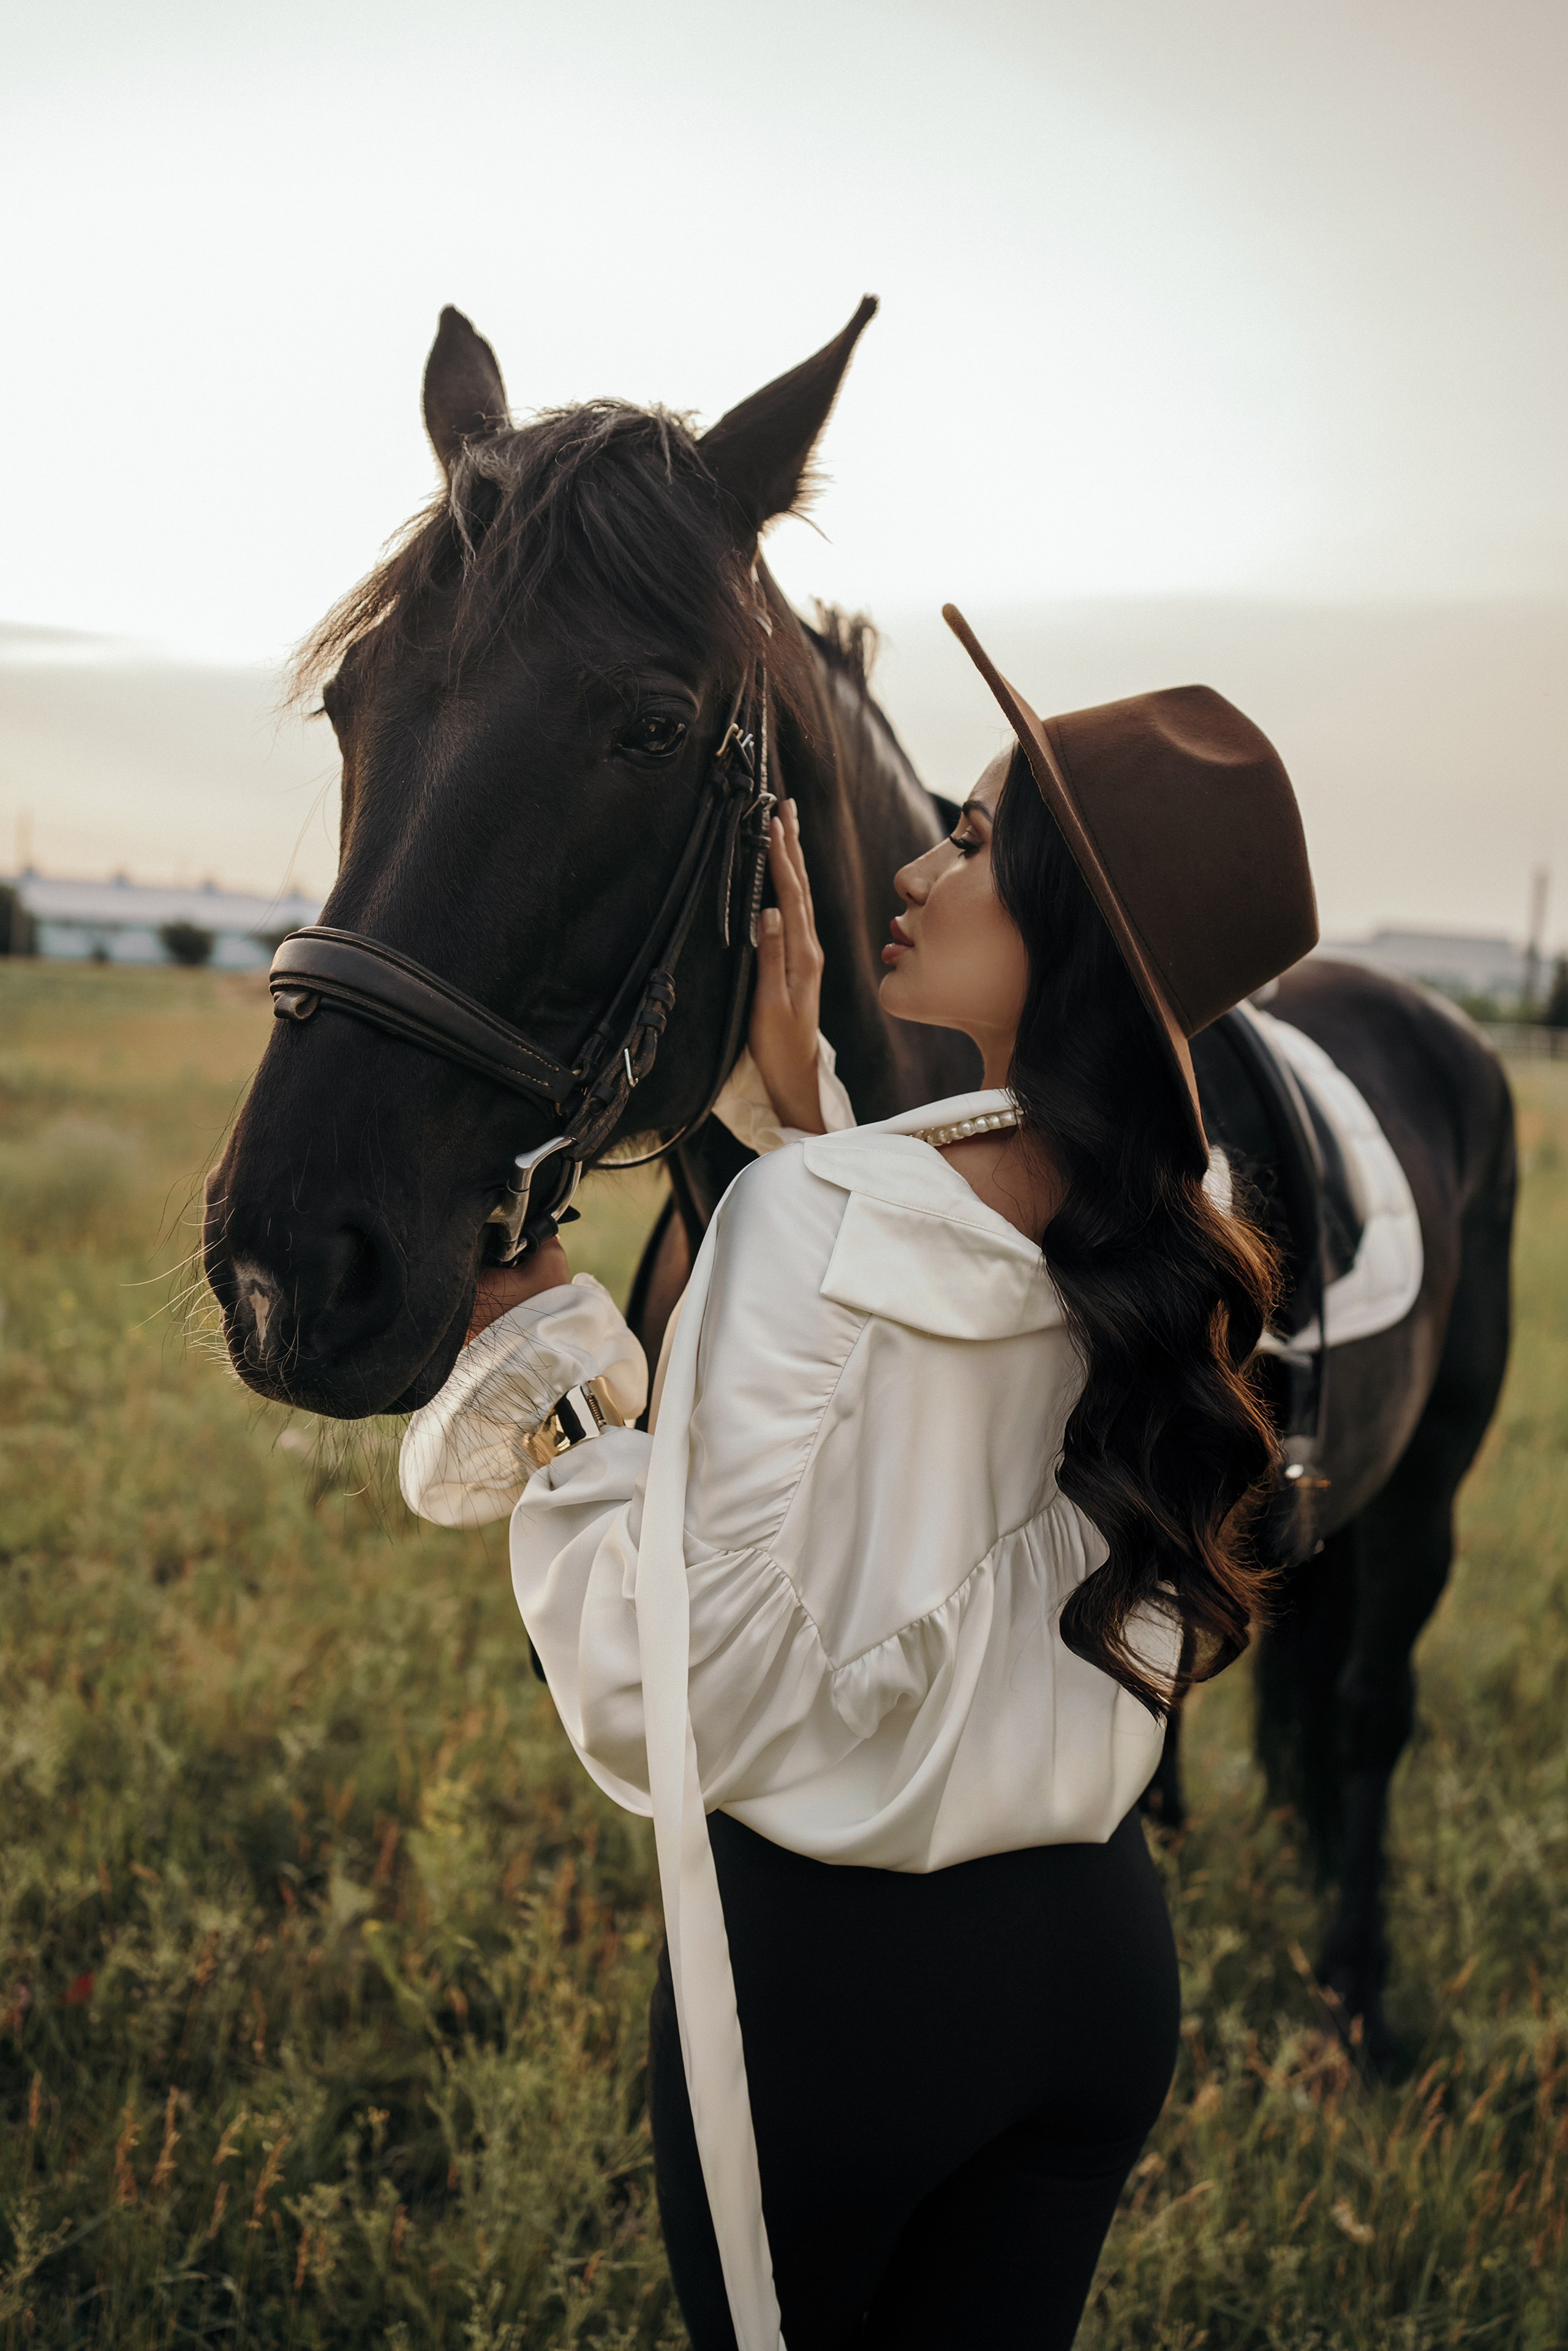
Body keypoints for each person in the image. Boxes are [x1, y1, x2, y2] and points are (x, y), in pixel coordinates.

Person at [400, 607, 1318, 2350]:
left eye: (971, 840)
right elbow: (938, 1342)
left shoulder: (812, 1223)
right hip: (1099, 1975)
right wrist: (803, 1105)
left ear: (1063, 925)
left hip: (836, 2008)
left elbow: (669, 1697)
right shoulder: (1179, 1238)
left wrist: (554, 1387)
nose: (912, 866)